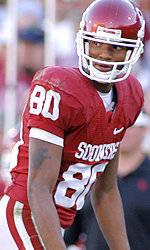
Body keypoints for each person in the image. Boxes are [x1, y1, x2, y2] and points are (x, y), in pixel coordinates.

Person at [0, 0, 145, 249]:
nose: (103, 54)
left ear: (133, 51)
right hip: (25, 215)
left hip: (55, 223)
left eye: (115, 48)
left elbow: (106, 192)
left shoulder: (129, 95)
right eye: (97, 43)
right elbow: (38, 188)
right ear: (83, 41)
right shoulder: (60, 88)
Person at [68, 111, 150, 250]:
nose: (124, 133)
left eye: (130, 127)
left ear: (144, 130)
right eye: (119, 128)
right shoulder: (91, 174)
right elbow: (70, 232)